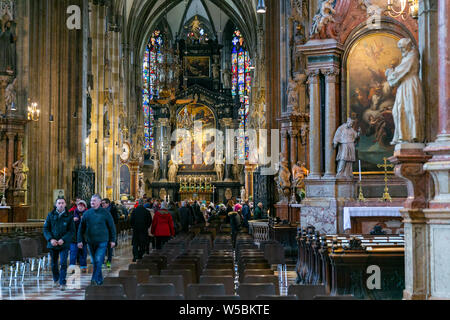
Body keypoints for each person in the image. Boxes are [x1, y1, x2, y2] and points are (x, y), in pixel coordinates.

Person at [77, 194, 116, 286]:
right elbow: (81, 228)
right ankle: (100, 280)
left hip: (102, 240)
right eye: (91, 201)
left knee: (98, 259)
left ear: (99, 202)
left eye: (94, 200)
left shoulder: (106, 213)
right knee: (95, 261)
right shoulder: (87, 213)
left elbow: (112, 227)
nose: (92, 202)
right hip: (90, 241)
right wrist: (79, 240)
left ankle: (93, 279)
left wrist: (113, 240)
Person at [43, 198, 75, 291]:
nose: (61, 205)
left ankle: (62, 282)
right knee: (53, 264)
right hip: (53, 243)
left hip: (63, 244)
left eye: (62, 203)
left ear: (65, 204)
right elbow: (46, 229)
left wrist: (63, 239)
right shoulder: (50, 215)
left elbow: (71, 231)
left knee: (63, 263)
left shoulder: (69, 216)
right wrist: (50, 239)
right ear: (56, 205)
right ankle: (56, 279)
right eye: (59, 203)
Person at [69, 200, 88, 273]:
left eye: (82, 205)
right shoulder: (72, 213)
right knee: (73, 252)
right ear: (77, 206)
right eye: (79, 205)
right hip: (74, 237)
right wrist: (72, 221)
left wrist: (85, 220)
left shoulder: (87, 214)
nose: (80, 207)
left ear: (85, 207)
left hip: (83, 237)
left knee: (83, 252)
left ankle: (83, 266)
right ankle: (72, 267)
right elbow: (67, 224)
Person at [101, 198, 119, 269]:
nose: (102, 205)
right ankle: (102, 262)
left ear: (108, 203)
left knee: (109, 249)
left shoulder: (113, 210)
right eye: (101, 203)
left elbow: (115, 221)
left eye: (104, 203)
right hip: (103, 232)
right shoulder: (101, 210)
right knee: (102, 248)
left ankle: (108, 262)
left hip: (110, 232)